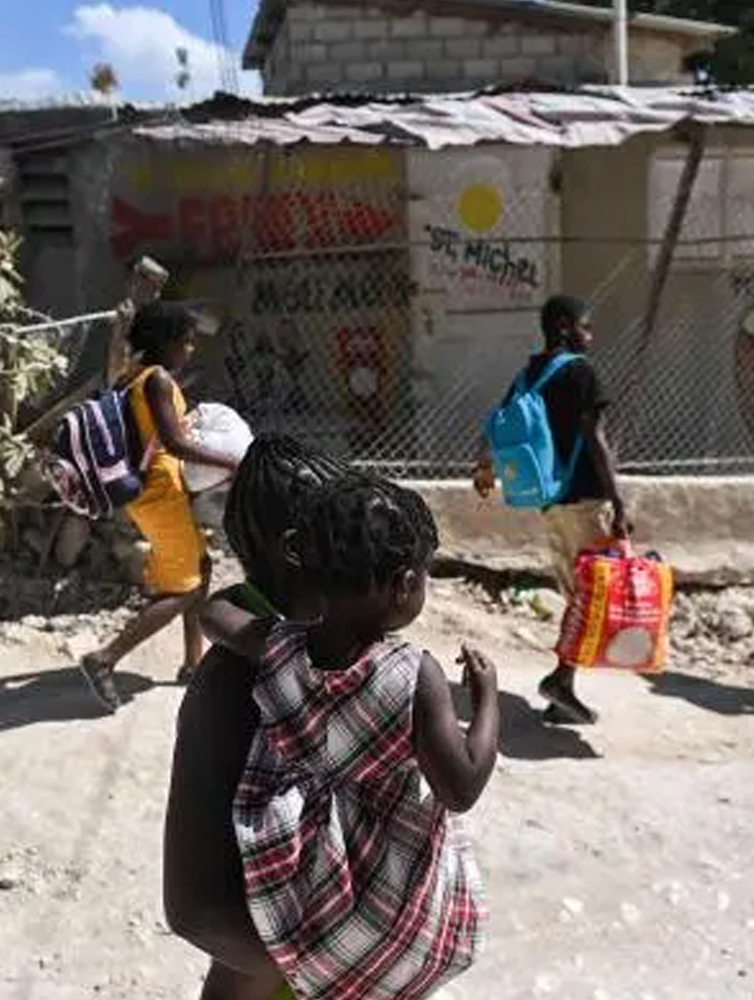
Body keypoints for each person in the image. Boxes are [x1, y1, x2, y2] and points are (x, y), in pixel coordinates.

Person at [203, 473, 500, 1000]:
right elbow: (462, 787)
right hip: (386, 889)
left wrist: (254, 580)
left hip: (297, 878)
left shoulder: (279, 646)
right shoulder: (414, 675)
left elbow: (214, 614)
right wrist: (486, 699)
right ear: (405, 584)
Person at [164, 437, 351, 1000]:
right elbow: (194, 908)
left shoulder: (327, 648)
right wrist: (317, 964)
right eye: (350, 529)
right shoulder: (232, 685)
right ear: (299, 549)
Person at [472, 294, 628, 725]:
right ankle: (561, 680)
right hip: (586, 500)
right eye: (586, 326)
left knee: (579, 597)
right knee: (596, 596)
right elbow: (595, 438)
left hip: (550, 503)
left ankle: (563, 689)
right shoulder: (581, 372)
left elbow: (495, 426)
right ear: (564, 326)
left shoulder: (528, 375)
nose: (590, 335)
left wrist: (483, 467)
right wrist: (618, 501)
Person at [79, 301, 240, 711]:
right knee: (183, 589)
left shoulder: (135, 378)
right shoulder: (158, 381)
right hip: (159, 493)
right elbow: (175, 443)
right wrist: (234, 462)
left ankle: (193, 665)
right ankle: (104, 660)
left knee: (199, 572)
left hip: (157, 492)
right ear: (165, 342)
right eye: (185, 342)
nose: (190, 350)